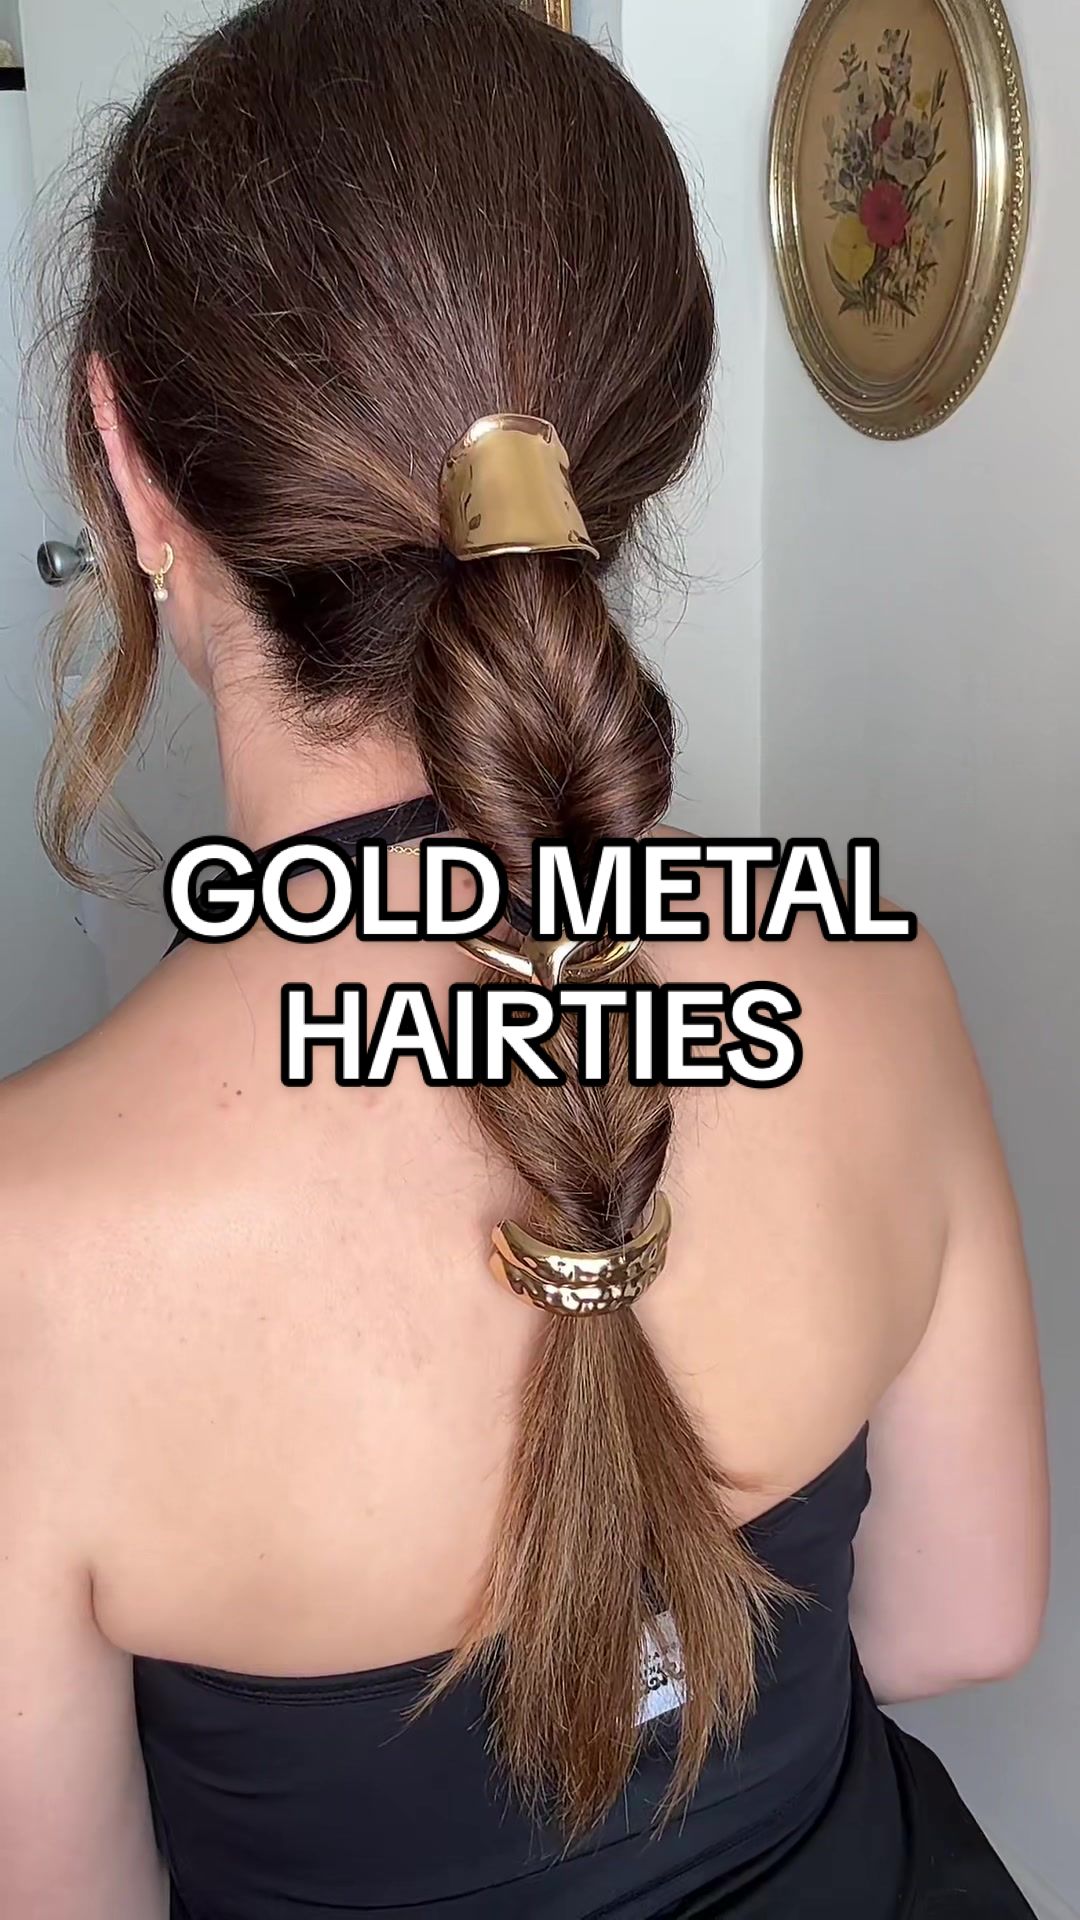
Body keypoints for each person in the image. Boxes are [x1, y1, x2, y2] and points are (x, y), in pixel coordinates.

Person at [0, 2, 1049, 1915]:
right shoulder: (871, 987)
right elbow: (959, 1622)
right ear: (625, 464)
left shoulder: (31, 1254)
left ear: (133, 468)